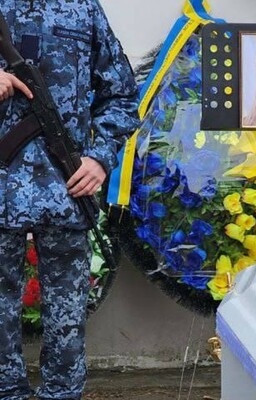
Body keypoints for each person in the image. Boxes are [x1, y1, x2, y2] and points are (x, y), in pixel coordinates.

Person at [0, 1, 139, 399]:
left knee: (67, 317)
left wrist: (100, 157)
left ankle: (61, 394)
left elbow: (122, 94)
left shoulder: (83, 10)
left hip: (65, 190)